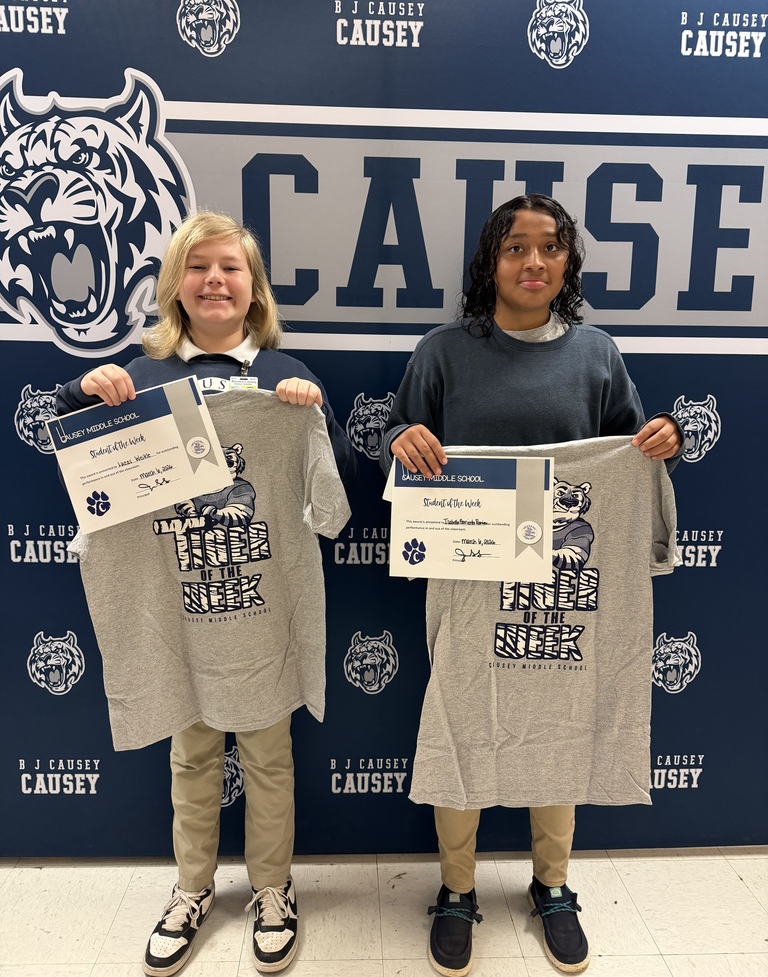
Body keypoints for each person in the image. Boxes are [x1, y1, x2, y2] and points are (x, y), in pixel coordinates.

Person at [379, 193, 682, 976]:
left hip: (566, 578)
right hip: (469, 575)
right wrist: (401, 437)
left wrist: (664, 440)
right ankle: (456, 889)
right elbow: (397, 441)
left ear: (568, 265)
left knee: (561, 711)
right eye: (516, 248)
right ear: (491, 263)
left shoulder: (597, 353)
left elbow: (633, 452)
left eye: (550, 248)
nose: (534, 262)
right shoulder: (443, 350)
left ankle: (553, 885)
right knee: (460, 716)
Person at [56, 210, 357, 976]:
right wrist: (81, 388)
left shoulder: (288, 375)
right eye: (199, 267)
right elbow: (78, 450)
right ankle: (191, 889)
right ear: (176, 288)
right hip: (176, 618)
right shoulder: (142, 375)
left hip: (261, 617)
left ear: (253, 287)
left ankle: (271, 888)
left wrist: (309, 415)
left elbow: (333, 499)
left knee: (268, 756)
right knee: (190, 756)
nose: (215, 280)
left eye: (230, 267)